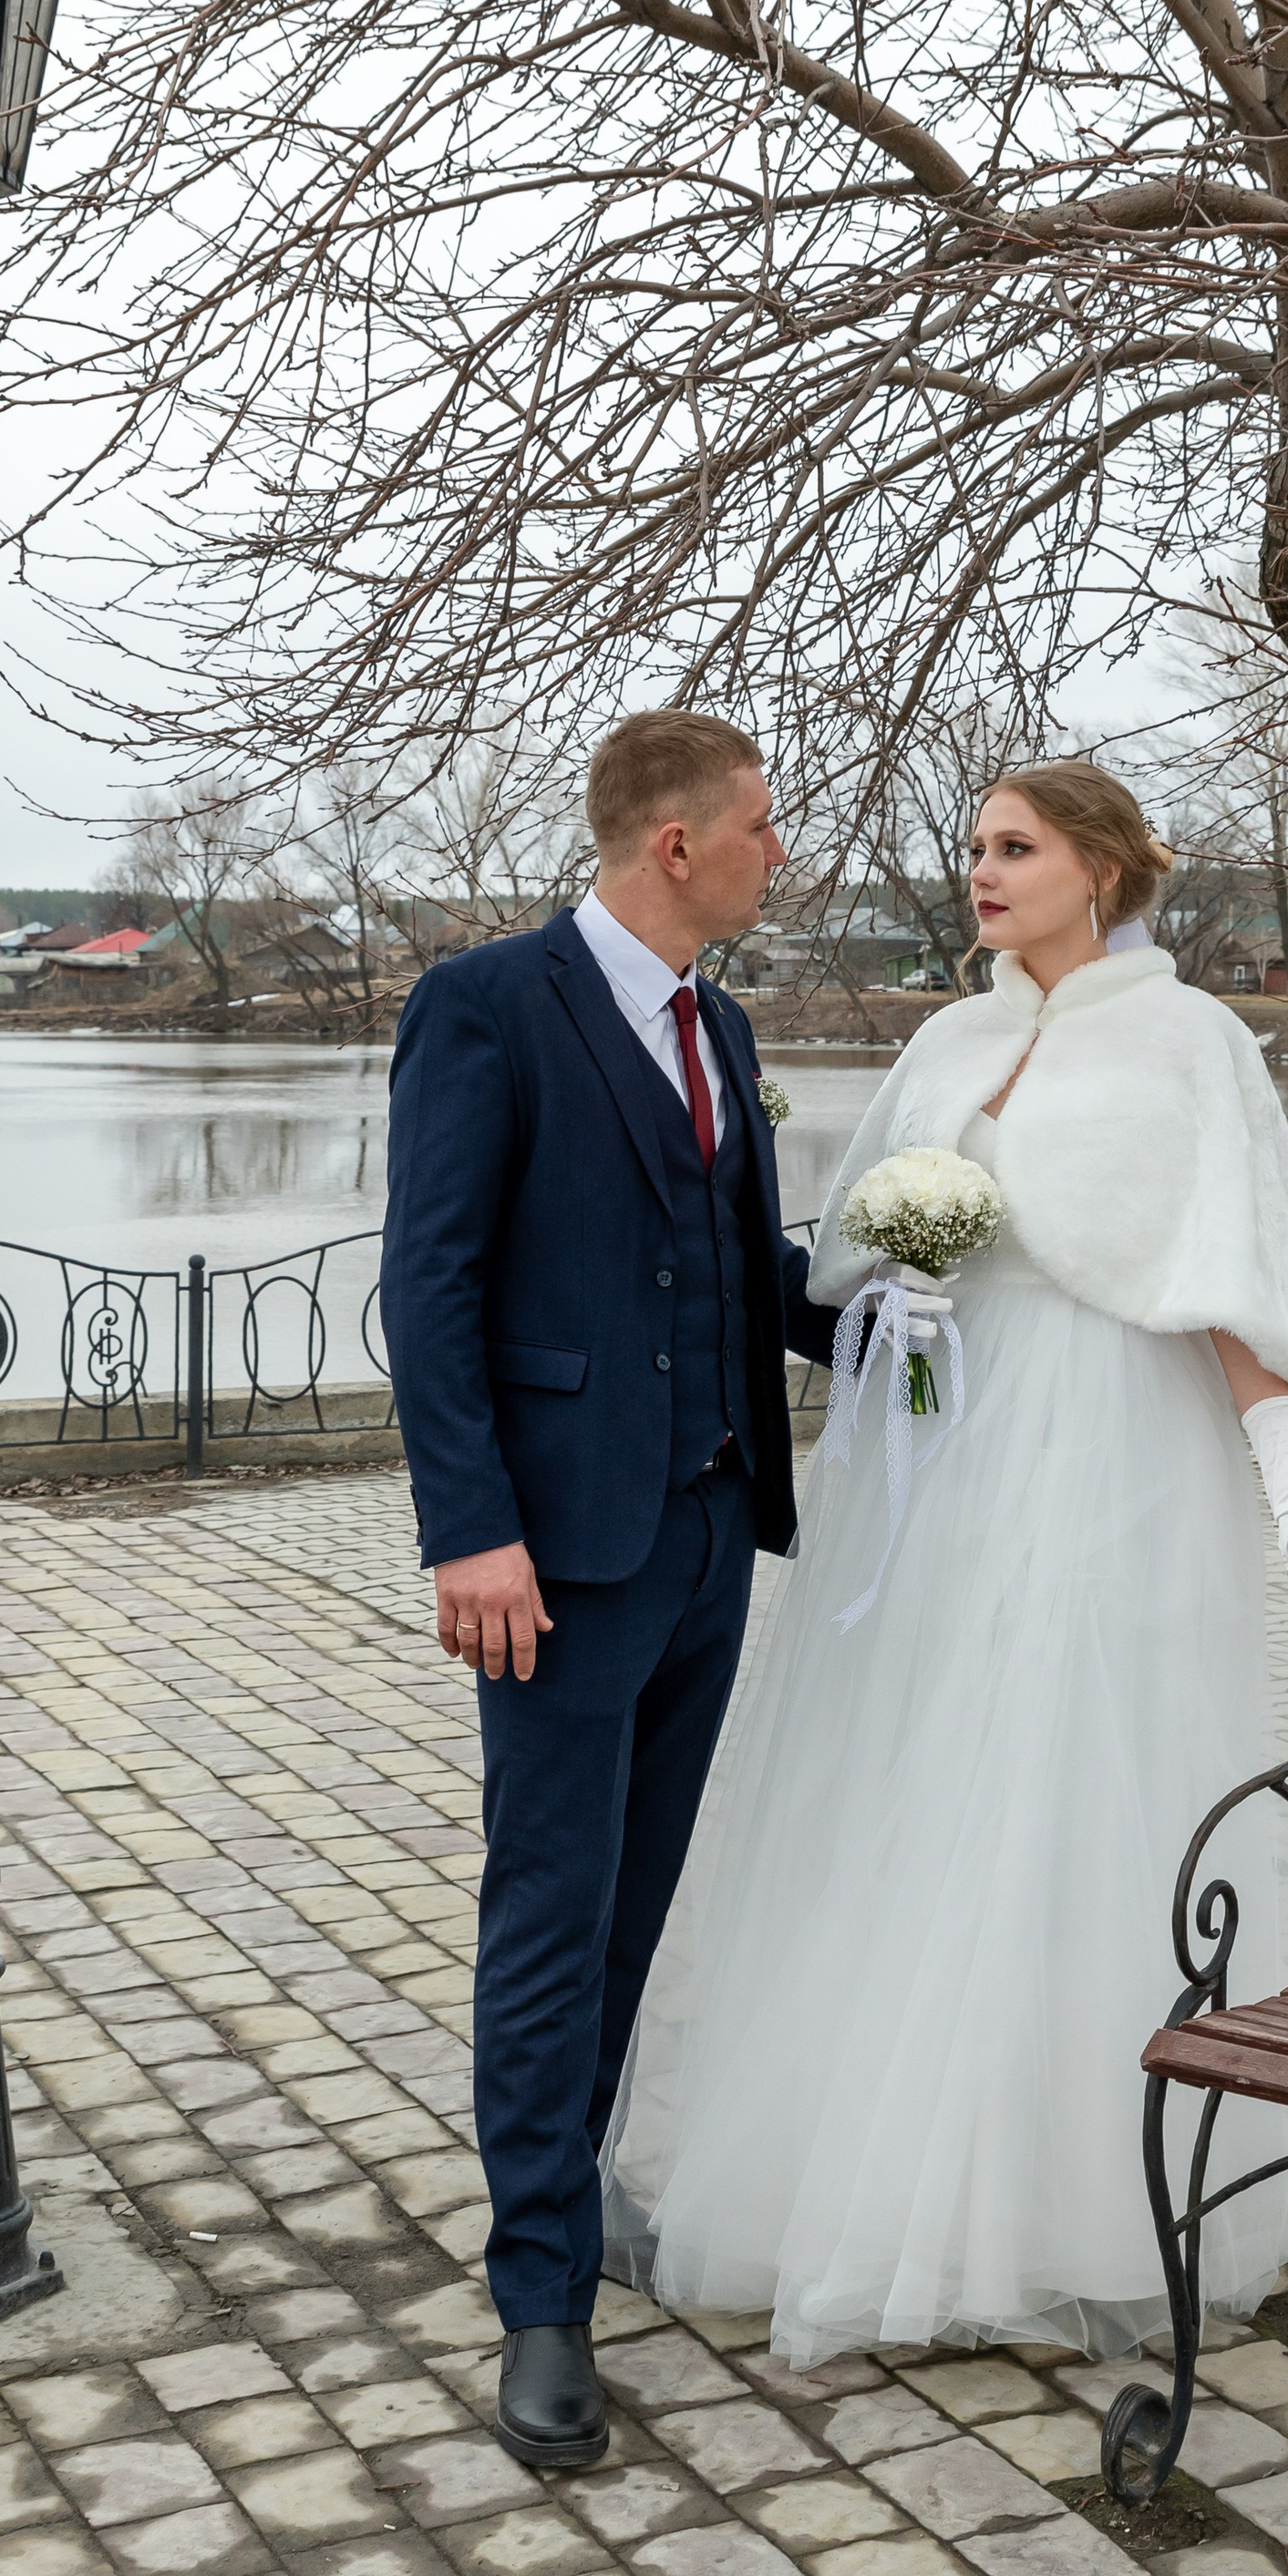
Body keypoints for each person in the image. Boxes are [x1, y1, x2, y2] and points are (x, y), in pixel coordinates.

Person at [603, 761, 1288, 2362]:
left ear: (1103, 868)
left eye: (1015, 848)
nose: (980, 871)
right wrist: (883, 1305)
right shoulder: (950, 1035)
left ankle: (1064, 2202)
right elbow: (848, 1250)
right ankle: (868, 2183)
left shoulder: (1189, 1044)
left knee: (1062, 1792)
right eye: (975, 847)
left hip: (1110, 1461)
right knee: (909, 1782)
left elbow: (1229, 1288)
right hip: (934, 1464)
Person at [381, 710, 839, 2468]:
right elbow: (430, 1288)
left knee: (639, 1905)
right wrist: (468, 1531)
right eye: (759, 826)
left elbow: (730, 1265)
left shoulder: (716, 1023)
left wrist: (886, 1303)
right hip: (557, 1557)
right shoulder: (487, 1008)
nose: (775, 853)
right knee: (551, 1909)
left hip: (712, 1532)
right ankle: (541, 2296)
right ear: (675, 843)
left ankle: (580, 2199)